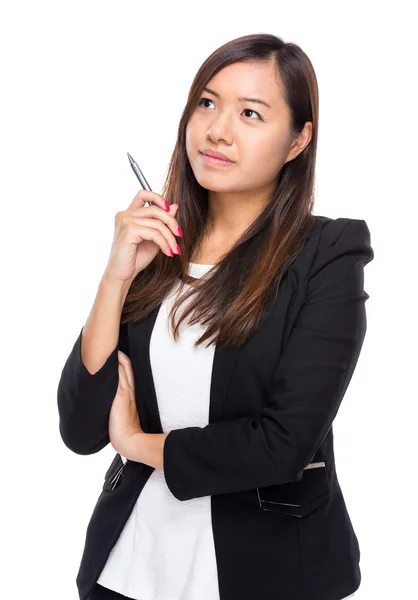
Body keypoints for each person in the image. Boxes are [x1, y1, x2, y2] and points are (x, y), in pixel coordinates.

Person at [57, 33, 373, 600]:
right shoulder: (159, 248)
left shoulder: (328, 253)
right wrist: (116, 276)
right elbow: (81, 430)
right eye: (207, 103)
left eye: (251, 113)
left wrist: (138, 443)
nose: (217, 130)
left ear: (299, 140)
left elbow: (282, 445)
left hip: (266, 570)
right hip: (131, 568)